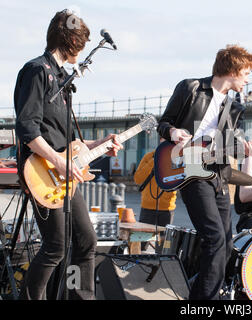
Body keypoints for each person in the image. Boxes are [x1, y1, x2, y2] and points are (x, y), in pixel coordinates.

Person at [14, 10, 122, 300]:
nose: (84, 49)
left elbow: (69, 142)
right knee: (55, 247)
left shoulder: (63, 81)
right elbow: (27, 127)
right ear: (72, 41)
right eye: (82, 43)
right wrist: (59, 160)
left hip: (63, 175)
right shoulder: (37, 71)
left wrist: (103, 141)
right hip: (42, 173)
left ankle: (79, 298)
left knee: (86, 240)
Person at [157, 44, 252, 300]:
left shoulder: (235, 108)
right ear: (233, 70)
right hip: (189, 170)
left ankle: (201, 296)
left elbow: (231, 146)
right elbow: (163, 122)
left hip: (219, 176)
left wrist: (246, 150)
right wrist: (173, 132)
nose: (248, 79)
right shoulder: (190, 88)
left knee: (226, 244)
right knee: (213, 239)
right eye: (246, 73)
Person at [134, 137, 177, 252]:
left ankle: (161, 265)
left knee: (164, 246)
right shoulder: (149, 157)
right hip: (147, 207)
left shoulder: (177, 158)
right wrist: (154, 161)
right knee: (142, 244)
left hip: (167, 208)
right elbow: (138, 179)